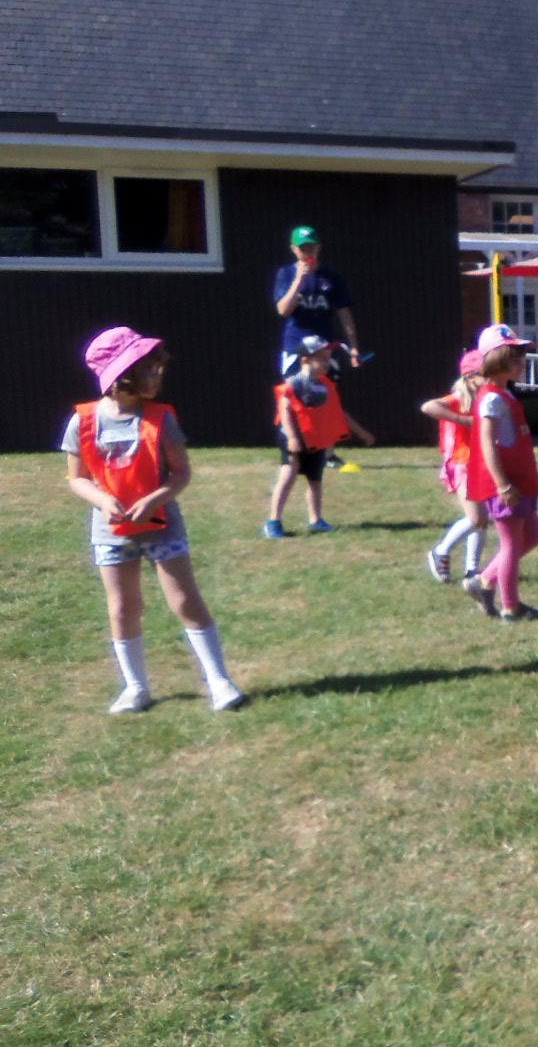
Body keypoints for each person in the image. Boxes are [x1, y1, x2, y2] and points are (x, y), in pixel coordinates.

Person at [62, 327, 246, 714]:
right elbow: (77, 478)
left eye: (158, 367)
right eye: (148, 368)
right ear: (120, 375)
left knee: (185, 601)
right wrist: (103, 500)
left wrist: (154, 500)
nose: (158, 375)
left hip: (162, 526)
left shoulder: (162, 419)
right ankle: (135, 688)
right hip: (111, 533)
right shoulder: (83, 422)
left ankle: (219, 681)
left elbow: (181, 473)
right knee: (123, 608)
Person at [464, 324, 538, 622]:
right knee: (511, 544)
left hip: (521, 481)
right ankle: (511, 607)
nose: (521, 363)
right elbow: (487, 444)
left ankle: (484, 581)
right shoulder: (491, 398)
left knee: (533, 536)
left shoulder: (504, 395)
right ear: (496, 360)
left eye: (521, 356)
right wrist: (502, 485)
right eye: (514, 357)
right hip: (507, 485)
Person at [267, 336, 375, 538]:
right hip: (294, 438)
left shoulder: (326, 384)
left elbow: (339, 412)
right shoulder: (294, 383)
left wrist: (362, 433)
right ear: (305, 360)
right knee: (288, 476)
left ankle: (316, 520)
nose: (328, 363)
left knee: (315, 480)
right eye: (322, 358)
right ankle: (273, 522)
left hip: (316, 440)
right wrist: (292, 438)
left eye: (328, 358)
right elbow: (285, 409)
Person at [420, 349, 488, 587]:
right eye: (486, 374)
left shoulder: (487, 397)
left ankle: (472, 569)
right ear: (470, 376)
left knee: (482, 519)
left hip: (481, 463)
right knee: (476, 517)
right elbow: (428, 407)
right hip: (462, 464)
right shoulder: (459, 397)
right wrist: (463, 420)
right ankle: (441, 551)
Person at [273, 225, 369, 374]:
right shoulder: (285, 274)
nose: (308, 253)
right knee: (297, 386)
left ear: (318, 248)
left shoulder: (331, 276)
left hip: (324, 347)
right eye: (303, 249)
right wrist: (298, 280)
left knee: (325, 387)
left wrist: (354, 347)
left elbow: (344, 312)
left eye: (311, 248)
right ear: (294, 249)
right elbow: (283, 311)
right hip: (296, 346)